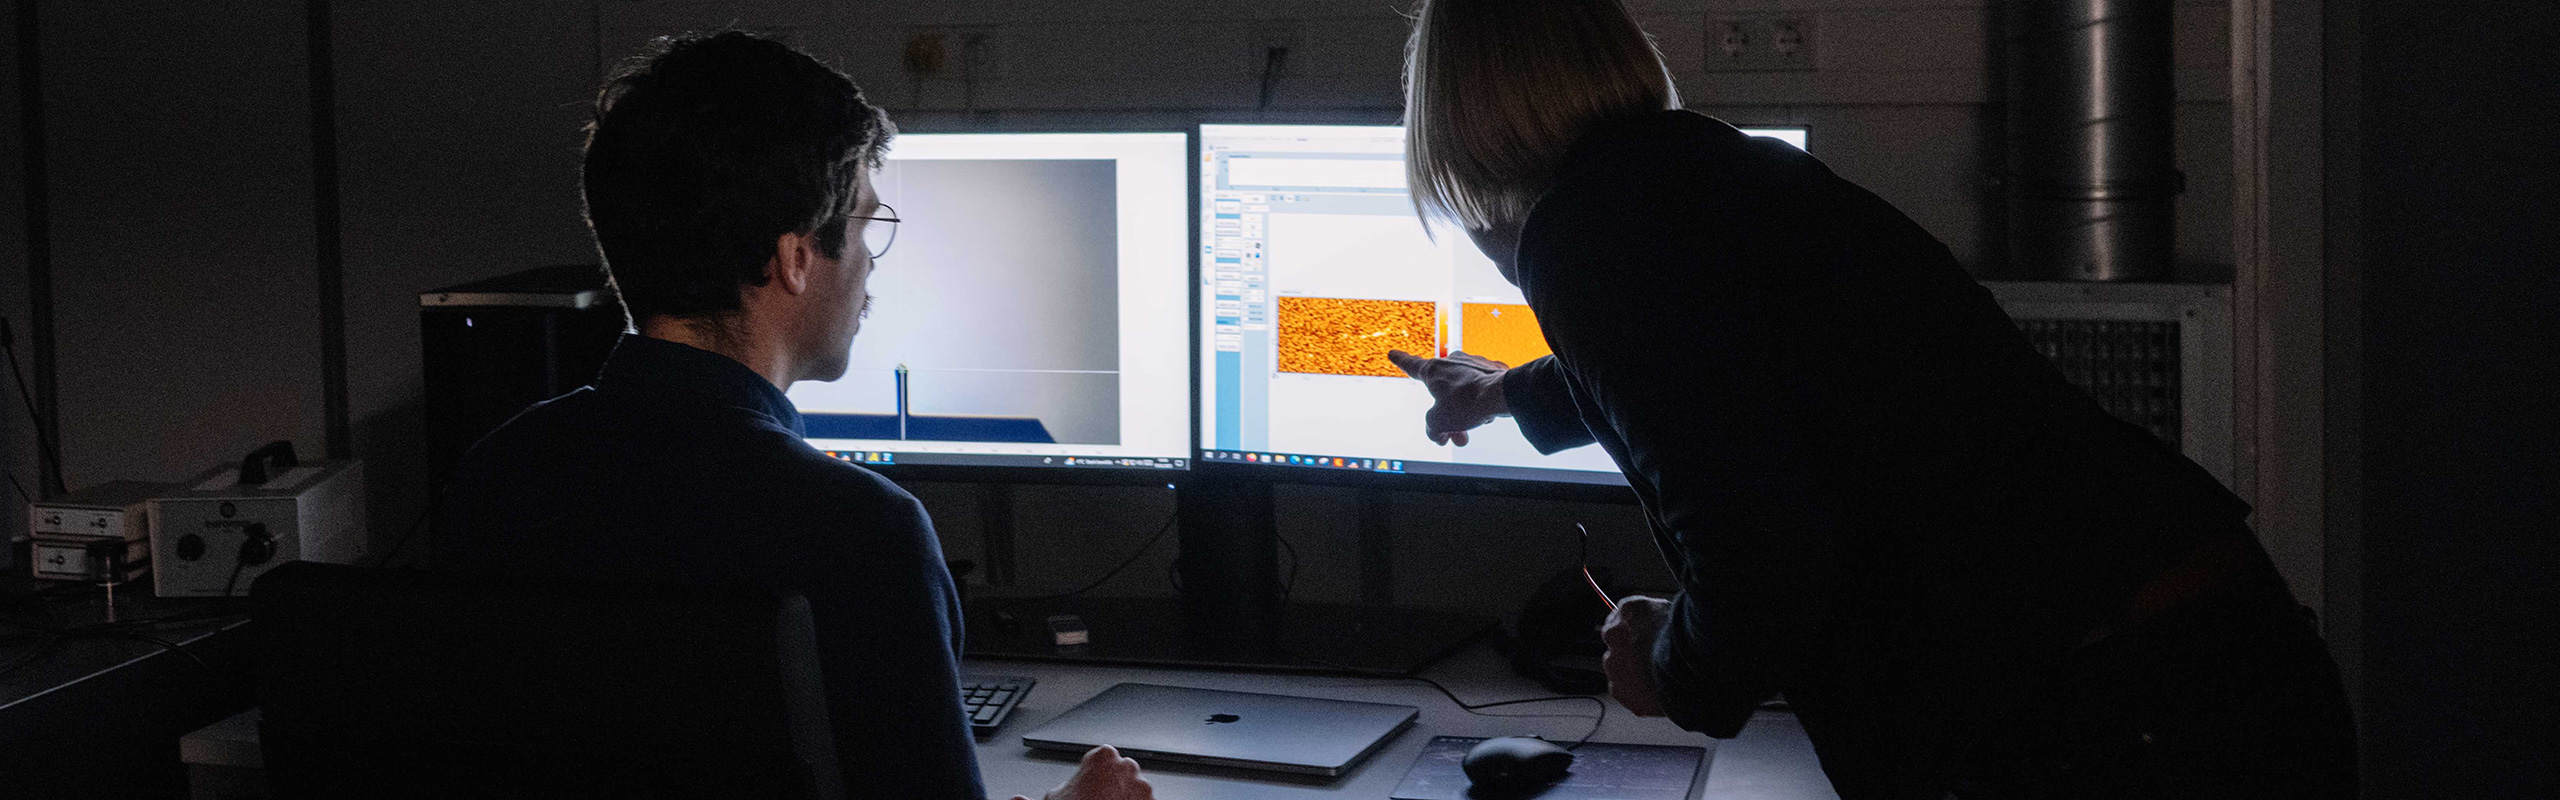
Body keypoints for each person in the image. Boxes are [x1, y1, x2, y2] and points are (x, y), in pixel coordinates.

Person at [1385, 1, 2356, 798]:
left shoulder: (1580, 233)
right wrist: (1505, 393)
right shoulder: (1696, 171)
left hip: (2112, 710)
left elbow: (1760, 559)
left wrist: (1667, 661)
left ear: (1462, 133)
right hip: (2197, 656)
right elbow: (1710, 364)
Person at [436, 31, 1153, 800]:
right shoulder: (860, 532)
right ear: (795, 258)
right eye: (864, 226)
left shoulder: (500, 472)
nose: (871, 262)